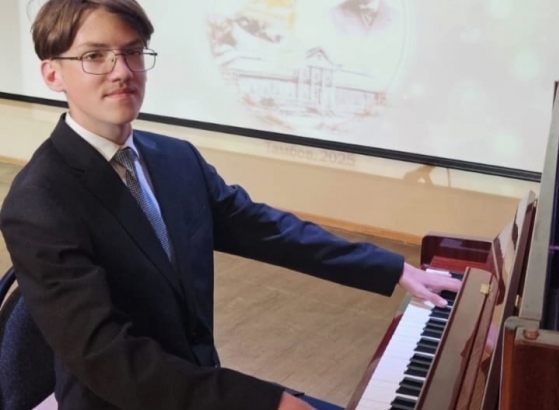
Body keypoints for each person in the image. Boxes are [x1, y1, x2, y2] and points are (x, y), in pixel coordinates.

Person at [0, 1, 462, 410]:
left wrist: (392, 268)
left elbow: (265, 229)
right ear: (52, 74)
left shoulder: (174, 157)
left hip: (200, 385)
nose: (122, 71)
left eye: (133, 51)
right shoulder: (39, 202)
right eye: (94, 56)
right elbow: (110, 360)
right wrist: (266, 401)